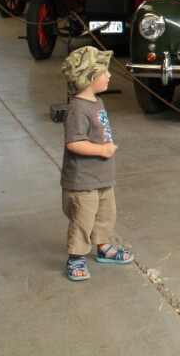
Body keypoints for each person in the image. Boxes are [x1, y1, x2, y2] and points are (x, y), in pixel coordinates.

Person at [59, 46, 133, 281]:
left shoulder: (96, 102)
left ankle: (103, 245)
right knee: (83, 218)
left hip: (101, 176)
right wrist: (102, 150)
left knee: (105, 214)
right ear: (89, 77)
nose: (109, 75)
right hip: (83, 182)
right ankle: (76, 256)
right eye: (104, 72)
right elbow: (74, 143)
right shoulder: (77, 109)